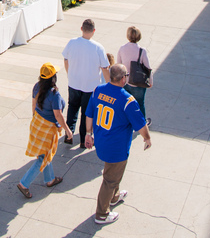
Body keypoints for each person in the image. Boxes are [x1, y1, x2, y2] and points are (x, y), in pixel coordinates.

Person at [84, 64, 152, 225]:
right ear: (123, 79)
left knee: (113, 173)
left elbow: (89, 113)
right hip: (117, 148)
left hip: (101, 142)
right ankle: (101, 214)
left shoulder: (98, 90)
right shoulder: (127, 99)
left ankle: (114, 197)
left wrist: (88, 133)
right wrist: (147, 138)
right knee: (110, 179)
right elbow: (141, 124)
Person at [16, 63, 71, 199]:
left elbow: (34, 105)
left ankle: (50, 179)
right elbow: (58, 115)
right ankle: (24, 184)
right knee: (42, 158)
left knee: (46, 154)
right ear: (53, 78)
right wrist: (68, 131)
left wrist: (36, 120)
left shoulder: (37, 86)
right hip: (47, 128)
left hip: (37, 124)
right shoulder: (54, 94)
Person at [62, 19, 109, 148]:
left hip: (73, 83)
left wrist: (69, 73)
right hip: (90, 87)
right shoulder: (98, 47)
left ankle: (69, 134)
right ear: (94, 31)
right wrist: (110, 86)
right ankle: (83, 139)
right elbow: (105, 68)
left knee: (72, 108)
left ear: (81, 28)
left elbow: (65, 59)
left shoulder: (72, 43)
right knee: (86, 113)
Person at [115, 26, 153, 126]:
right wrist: (151, 81)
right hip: (138, 83)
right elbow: (148, 68)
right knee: (140, 104)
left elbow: (119, 65)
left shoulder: (122, 48)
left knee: (125, 104)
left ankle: (126, 122)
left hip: (125, 82)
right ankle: (142, 123)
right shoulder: (142, 50)